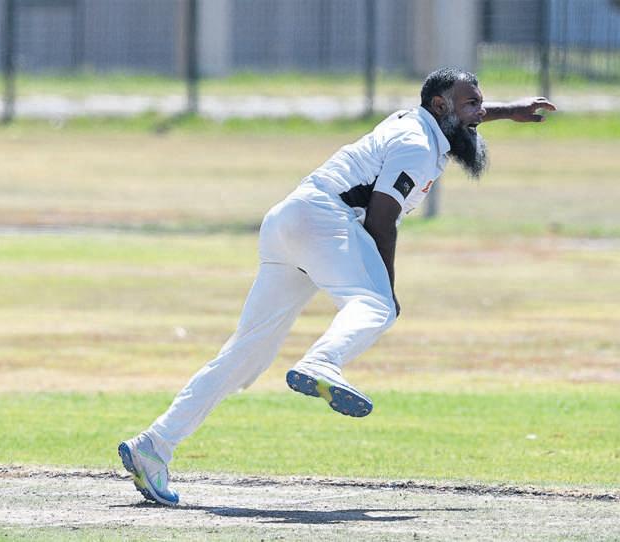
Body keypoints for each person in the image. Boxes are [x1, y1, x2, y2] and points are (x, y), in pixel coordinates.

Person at [118, 67, 556, 505]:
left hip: (288, 220)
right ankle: (323, 362)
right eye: (472, 104)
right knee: (376, 305)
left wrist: (510, 110)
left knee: (245, 354)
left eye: (481, 103)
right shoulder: (418, 145)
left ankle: (153, 446)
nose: (479, 112)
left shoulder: (422, 122)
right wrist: (386, 289)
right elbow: (382, 219)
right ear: (440, 106)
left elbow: (458, 117)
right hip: (323, 219)